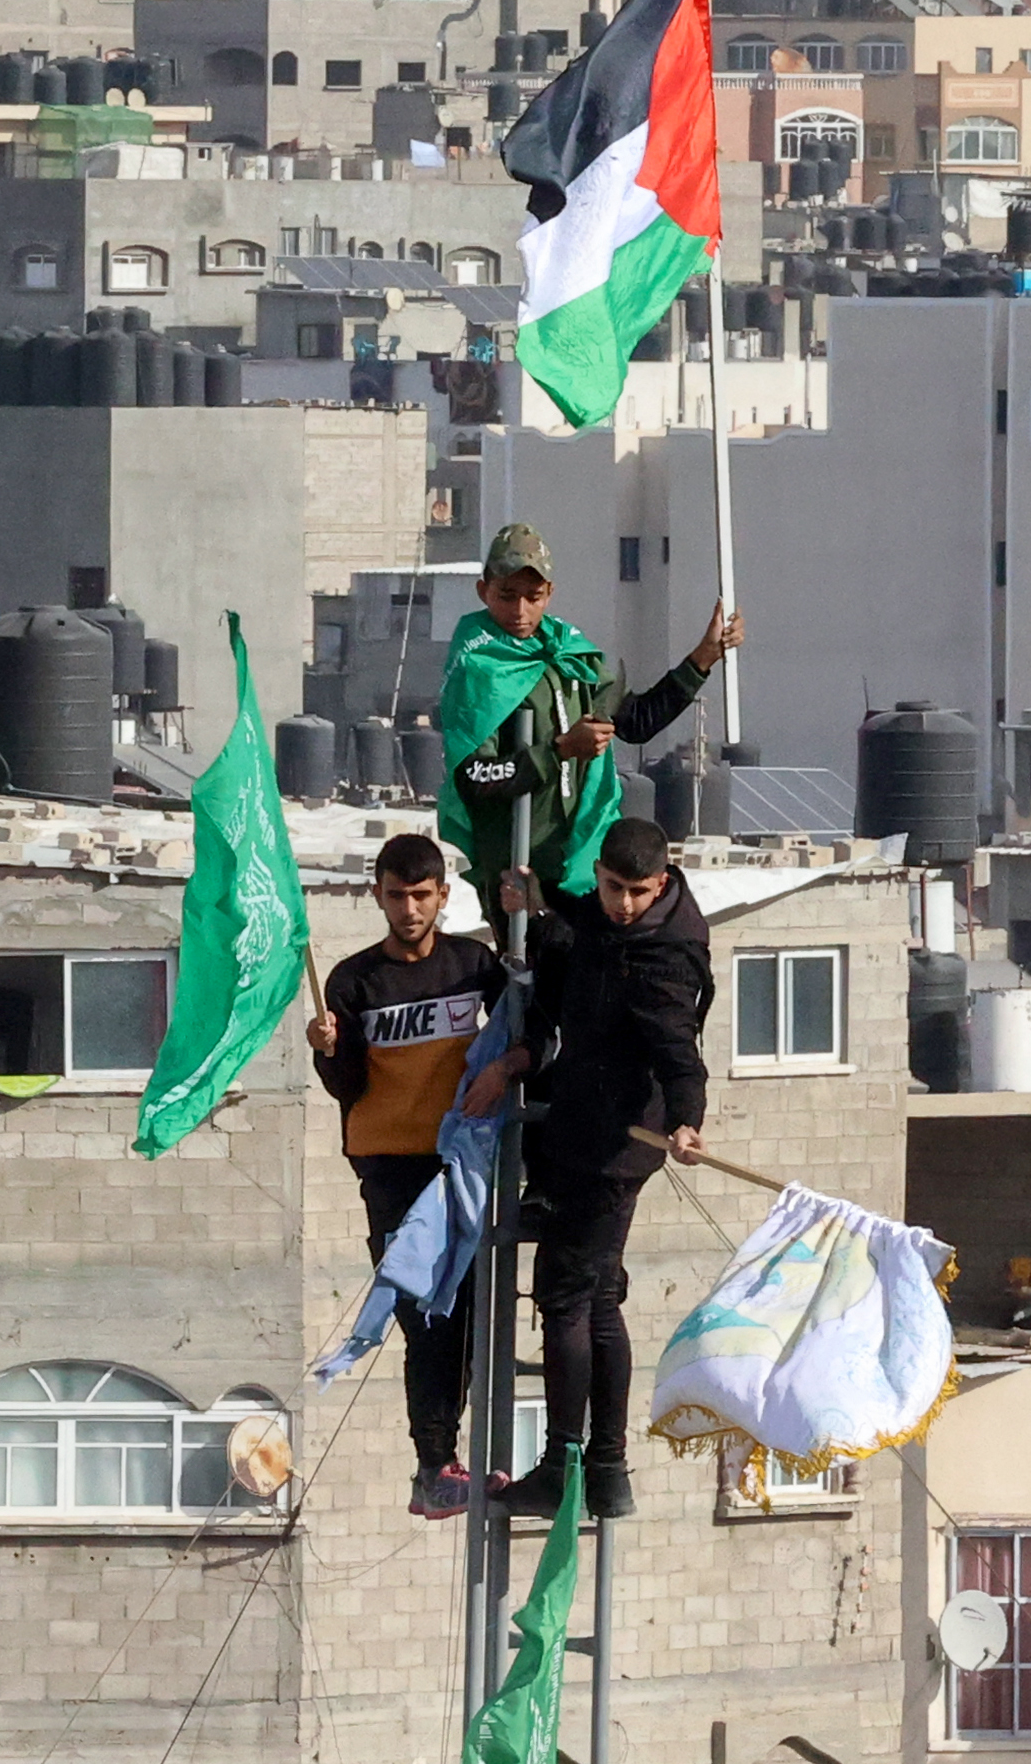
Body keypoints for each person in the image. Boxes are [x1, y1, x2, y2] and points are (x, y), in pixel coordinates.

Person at [503, 810, 709, 1521]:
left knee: (565, 1298)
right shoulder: (606, 916)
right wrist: (538, 899)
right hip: (583, 1128)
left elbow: (678, 1051)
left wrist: (687, 1120)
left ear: (662, 881)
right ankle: (606, 1470)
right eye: (613, 887)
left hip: (618, 1146)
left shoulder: (664, 954)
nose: (623, 904)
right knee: (595, 1299)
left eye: (637, 891)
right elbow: (584, 919)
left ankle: (565, 1464)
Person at [306, 831, 509, 1517]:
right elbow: (345, 1086)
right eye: (397, 895)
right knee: (425, 1311)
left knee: (476, 1305)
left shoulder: (471, 964)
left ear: (442, 896)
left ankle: (470, 1456)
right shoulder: (353, 979)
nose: (410, 908)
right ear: (379, 897)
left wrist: (506, 1070)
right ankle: (432, 1465)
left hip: (461, 1161)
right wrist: (328, 1050)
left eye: (422, 895)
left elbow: (521, 1022)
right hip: (390, 1167)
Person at [434, 521, 737, 912]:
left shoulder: (568, 652)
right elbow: (474, 777)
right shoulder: (477, 667)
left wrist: (703, 658)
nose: (520, 611)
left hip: (582, 858)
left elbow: (635, 721)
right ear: (483, 591)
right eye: (507, 596)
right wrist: (559, 750)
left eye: (533, 596)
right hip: (516, 870)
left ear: (549, 595)